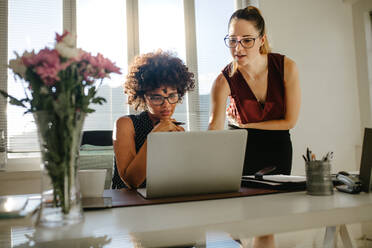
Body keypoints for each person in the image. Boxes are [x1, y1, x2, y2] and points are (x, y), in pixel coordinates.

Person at [208, 6, 301, 248]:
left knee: (266, 225)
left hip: (277, 151)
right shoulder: (223, 80)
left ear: (262, 40)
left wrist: (245, 123)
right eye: (232, 40)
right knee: (234, 224)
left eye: (247, 40)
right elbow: (214, 129)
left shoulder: (286, 67)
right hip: (238, 152)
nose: (238, 48)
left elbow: (289, 121)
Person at [112, 50, 195, 189]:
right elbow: (131, 181)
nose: (166, 104)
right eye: (157, 97)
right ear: (143, 96)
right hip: (127, 203)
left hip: (160, 201)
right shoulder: (126, 124)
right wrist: (155, 136)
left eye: (172, 96)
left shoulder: (175, 129)